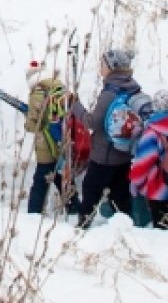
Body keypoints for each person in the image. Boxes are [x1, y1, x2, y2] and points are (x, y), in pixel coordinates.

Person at [72, 49, 141, 228]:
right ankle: (125, 227)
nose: (100, 67)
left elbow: (93, 122)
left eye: (103, 64)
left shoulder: (109, 93)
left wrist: (75, 107)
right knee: (120, 194)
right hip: (124, 152)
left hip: (104, 155)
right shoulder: (132, 86)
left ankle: (82, 225)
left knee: (91, 190)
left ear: (112, 67)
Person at [23, 63, 80, 215]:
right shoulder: (60, 87)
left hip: (46, 147)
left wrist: (27, 120)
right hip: (63, 141)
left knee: (40, 182)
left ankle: (33, 214)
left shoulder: (37, 93)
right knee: (62, 177)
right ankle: (75, 210)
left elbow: (33, 124)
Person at [129, 90, 168, 229]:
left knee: (161, 229)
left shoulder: (152, 133)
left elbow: (143, 163)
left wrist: (135, 183)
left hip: (158, 188)